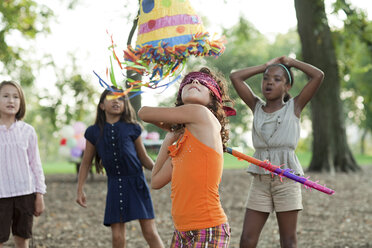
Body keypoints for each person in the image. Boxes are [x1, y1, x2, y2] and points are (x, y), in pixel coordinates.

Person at [229, 56, 324, 248]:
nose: (269, 81)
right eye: (266, 78)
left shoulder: (294, 107)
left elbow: (318, 75)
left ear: (287, 87)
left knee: (288, 241)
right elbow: (235, 77)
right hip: (260, 180)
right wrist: (265, 65)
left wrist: (292, 62)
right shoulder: (256, 107)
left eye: (277, 79)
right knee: (247, 239)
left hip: (287, 180)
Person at [138, 67, 236, 247]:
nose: (195, 82)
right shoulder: (182, 144)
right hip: (182, 231)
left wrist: (172, 127)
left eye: (202, 81)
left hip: (208, 229)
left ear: (213, 98)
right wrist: (171, 135)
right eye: (189, 81)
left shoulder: (201, 113)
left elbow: (143, 113)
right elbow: (156, 181)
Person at [76, 89, 164, 248]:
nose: (116, 101)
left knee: (150, 232)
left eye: (121, 99)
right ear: (102, 105)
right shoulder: (93, 132)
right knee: (117, 237)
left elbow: (144, 158)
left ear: (125, 105)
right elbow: (86, 162)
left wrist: (161, 170)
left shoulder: (133, 128)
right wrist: (80, 189)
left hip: (137, 183)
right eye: (111, 98)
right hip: (115, 185)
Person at [0, 80, 46, 248]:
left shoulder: (28, 131)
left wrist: (39, 195)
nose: (11, 101)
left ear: (21, 102)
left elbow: (36, 165)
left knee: (22, 239)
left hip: (25, 194)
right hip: (1, 194)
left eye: (15, 97)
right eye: (5, 96)